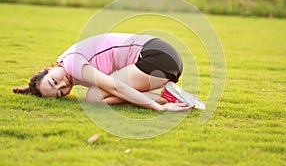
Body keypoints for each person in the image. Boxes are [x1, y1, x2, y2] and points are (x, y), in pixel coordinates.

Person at [13, 33, 205, 111]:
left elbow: (115, 86)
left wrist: (157, 108)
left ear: (49, 69)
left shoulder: (72, 62)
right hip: (164, 62)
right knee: (97, 95)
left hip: (155, 57)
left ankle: (165, 100)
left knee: (94, 95)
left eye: (54, 81)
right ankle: (172, 97)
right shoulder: (67, 63)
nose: (63, 85)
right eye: (60, 93)